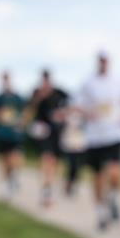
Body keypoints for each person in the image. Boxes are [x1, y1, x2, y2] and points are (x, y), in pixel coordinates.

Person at [75, 51, 120, 230]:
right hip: (95, 135)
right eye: (101, 60)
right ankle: (101, 212)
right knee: (98, 175)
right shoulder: (88, 82)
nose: (103, 63)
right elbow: (77, 104)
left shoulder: (119, 80)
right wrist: (87, 113)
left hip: (116, 133)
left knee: (115, 171)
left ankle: (113, 196)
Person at [26, 70, 70, 207]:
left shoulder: (59, 93)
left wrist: (63, 115)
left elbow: (69, 106)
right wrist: (39, 97)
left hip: (57, 133)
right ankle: (46, 189)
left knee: (55, 162)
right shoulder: (37, 93)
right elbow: (31, 109)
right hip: (43, 132)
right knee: (47, 159)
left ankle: (49, 188)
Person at [0, 72, 26, 199]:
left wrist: (21, 124)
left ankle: (14, 176)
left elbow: (24, 113)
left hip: (14, 134)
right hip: (2, 133)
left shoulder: (17, 98)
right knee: (4, 159)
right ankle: (6, 183)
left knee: (15, 156)